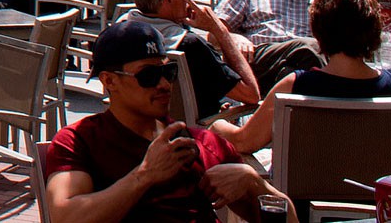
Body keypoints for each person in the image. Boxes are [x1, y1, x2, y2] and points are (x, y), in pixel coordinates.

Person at [45, 20, 294, 223]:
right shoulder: (80, 141)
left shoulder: (200, 143)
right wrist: (145, 175)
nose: (164, 84)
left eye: (167, 72)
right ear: (109, 81)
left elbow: (288, 217)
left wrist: (253, 182)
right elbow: (66, 216)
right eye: (149, 75)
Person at [211, 0, 391, 155]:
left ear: (317, 30)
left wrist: (217, 124)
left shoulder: (295, 86)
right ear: (374, 31)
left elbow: (243, 142)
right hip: (373, 194)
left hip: (300, 194)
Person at [117, 0, 261, 120]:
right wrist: (220, 31)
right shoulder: (189, 45)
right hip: (193, 132)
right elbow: (251, 95)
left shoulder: (119, 31)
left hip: (136, 123)